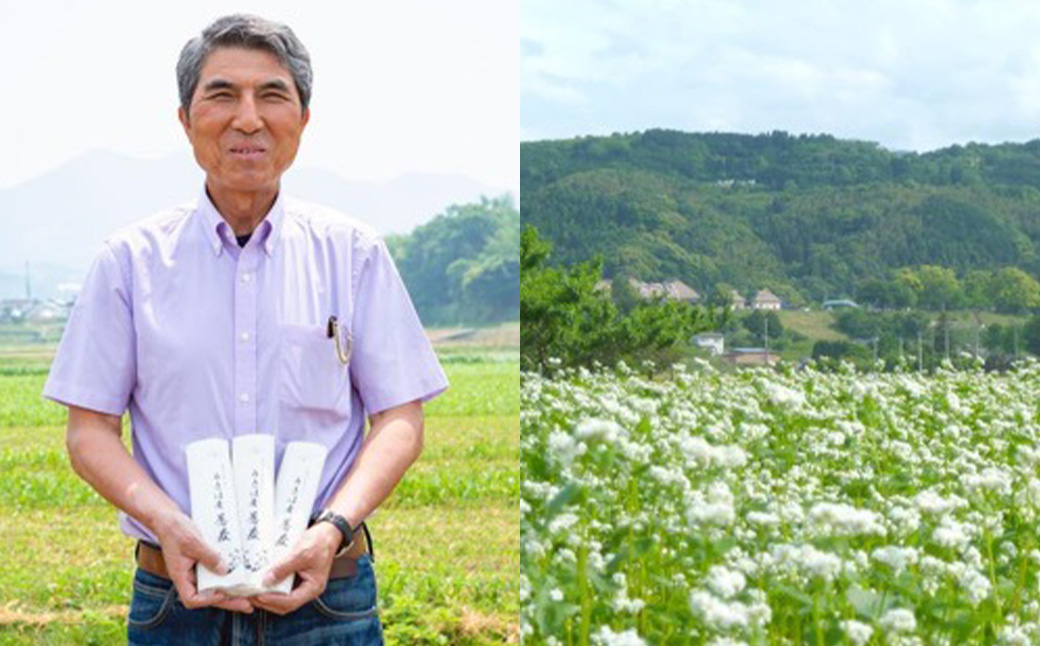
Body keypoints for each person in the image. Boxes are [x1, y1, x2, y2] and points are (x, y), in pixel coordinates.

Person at [42, 13, 448, 645]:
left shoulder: (354, 253)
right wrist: (167, 523)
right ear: (185, 118)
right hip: (175, 601)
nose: (248, 118)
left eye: (272, 95)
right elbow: (89, 432)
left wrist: (333, 527)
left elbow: (401, 418)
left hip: (328, 596)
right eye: (222, 95)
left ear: (304, 121)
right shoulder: (129, 262)